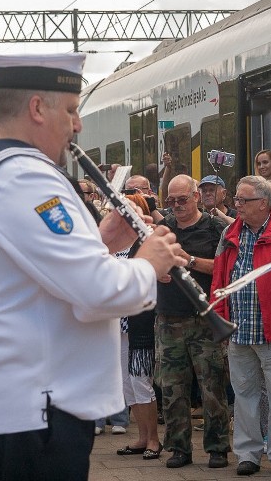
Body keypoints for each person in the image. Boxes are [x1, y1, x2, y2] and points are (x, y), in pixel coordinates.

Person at [0, 53, 185, 481]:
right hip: (31, 412)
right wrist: (147, 263)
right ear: (37, 108)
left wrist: (101, 243)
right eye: (70, 110)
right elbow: (96, 293)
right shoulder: (24, 175)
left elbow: (22, 279)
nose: (77, 125)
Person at [211, 175, 271, 477]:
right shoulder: (229, 233)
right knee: (244, 395)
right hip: (238, 331)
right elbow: (219, 281)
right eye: (236, 199)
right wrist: (219, 321)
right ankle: (248, 454)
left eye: (242, 200)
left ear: (263, 203)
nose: (236, 205)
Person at [154, 175, 231, 470]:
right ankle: (178, 447)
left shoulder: (215, 228)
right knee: (172, 388)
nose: (176, 206)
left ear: (197, 196)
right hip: (168, 318)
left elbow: (226, 269)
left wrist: (190, 261)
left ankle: (217, 447)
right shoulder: (163, 229)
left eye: (182, 200)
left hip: (205, 319)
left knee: (212, 387)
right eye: (170, 202)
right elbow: (141, 261)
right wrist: (155, 270)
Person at [113, 193, 161, 460]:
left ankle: (153, 439)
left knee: (141, 381)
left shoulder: (147, 239)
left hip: (140, 322)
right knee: (127, 384)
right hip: (117, 325)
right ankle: (142, 437)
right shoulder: (113, 240)